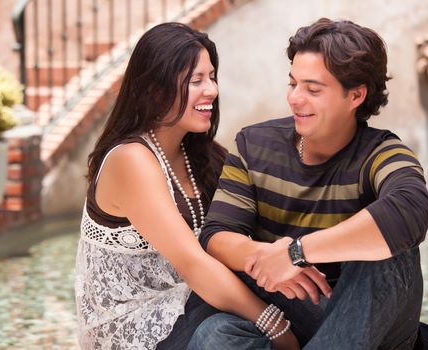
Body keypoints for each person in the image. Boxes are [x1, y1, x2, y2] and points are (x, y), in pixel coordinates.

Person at [190, 18, 428, 349]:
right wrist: (267, 256)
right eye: (293, 84)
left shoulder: (381, 153)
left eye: (313, 89)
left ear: (356, 95)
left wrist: (296, 253)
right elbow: (217, 236)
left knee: (389, 249)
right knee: (215, 335)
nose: (295, 99)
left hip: (372, 322)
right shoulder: (254, 145)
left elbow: (410, 210)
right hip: (294, 316)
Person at [74, 22, 298, 350]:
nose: (211, 90)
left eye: (211, 77)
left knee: (284, 278)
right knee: (251, 314)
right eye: (196, 81)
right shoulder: (131, 160)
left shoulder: (199, 155)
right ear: (154, 89)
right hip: (141, 328)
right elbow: (195, 264)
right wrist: (276, 326)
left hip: (192, 307)